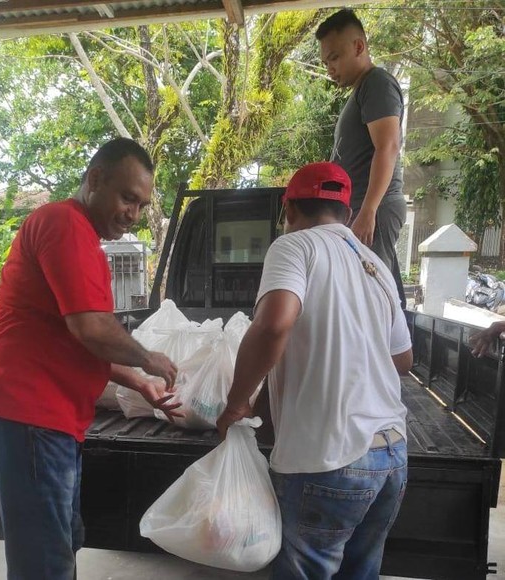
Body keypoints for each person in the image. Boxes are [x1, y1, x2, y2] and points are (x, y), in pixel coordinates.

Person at [0, 138, 182, 580]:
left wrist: (137, 382)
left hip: (42, 422)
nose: (133, 214)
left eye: (141, 205)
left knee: (60, 544)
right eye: (127, 198)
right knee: (43, 563)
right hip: (26, 418)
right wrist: (148, 359)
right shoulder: (64, 224)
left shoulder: (79, 235)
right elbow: (91, 327)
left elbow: (76, 337)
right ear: (95, 179)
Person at [217, 161, 413, 579]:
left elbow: (273, 324)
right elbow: (403, 359)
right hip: (391, 454)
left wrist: (236, 404)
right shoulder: (375, 265)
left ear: (289, 210)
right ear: (346, 213)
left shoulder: (294, 247)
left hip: (331, 458)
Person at [316, 9, 408, 308]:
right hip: (363, 210)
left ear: (358, 47)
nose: (330, 68)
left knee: (373, 298)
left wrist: (368, 210)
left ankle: (387, 355)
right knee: (369, 292)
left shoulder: (377, 83)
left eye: (334, 57)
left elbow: (388, 147)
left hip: (374, 210)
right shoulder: (361, 91)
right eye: (325, 61)